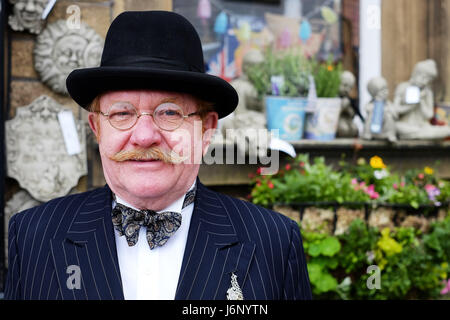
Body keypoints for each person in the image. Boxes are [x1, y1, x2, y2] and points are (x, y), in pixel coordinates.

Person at [5, 11, 311, 300]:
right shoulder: (34, 236)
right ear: (97, 128)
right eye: (122, 113)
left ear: (206, 128)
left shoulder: (274, 242)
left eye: (169, 112)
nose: (144, 136)